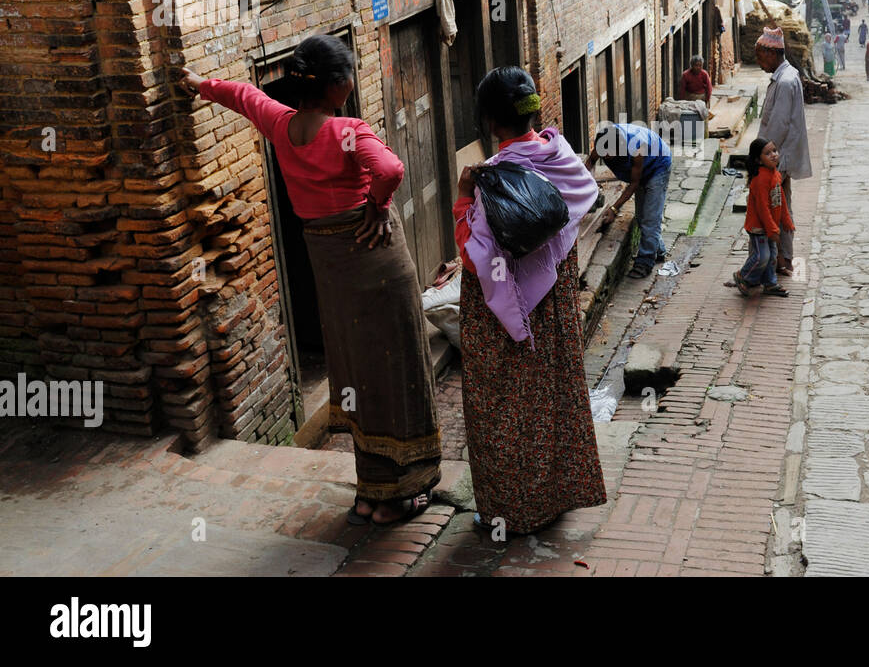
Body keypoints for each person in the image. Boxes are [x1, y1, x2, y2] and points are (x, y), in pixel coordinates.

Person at [179, 35, 442, 527]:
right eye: (349, 74)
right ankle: (397, 497)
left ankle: (368, 494)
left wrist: (200, 85)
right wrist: (377, 206)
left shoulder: (280, 125)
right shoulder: (347, 130)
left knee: (359, 367)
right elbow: (390, 168)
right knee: (396, 363)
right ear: (336, 85)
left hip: (329, 266)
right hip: (375, 260)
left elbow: (241, 94)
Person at [455, 66, 606, 535]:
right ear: (533, 112)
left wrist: (463, 199)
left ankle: (510, 513)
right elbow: (585, 200)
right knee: (552, 394)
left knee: (501, 404)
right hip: (556, 302)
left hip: (503, 315)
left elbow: (476, 257)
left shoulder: (491, 181)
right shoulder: (559, 153)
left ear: (491, 122)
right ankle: (555, 497)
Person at [755, 26, 812, 276]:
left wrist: (762, 159)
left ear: (771, 53)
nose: (758, 62)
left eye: (760, 56)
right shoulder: (786, 76)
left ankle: (764, 265)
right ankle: (783, 259)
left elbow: (778, 126)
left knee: (770, 211)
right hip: (780, 158)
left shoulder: (786, 81)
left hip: (778, 159)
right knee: (782, 208)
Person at [586, 122, 673, 280]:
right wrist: (585, 186)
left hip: (657, 168)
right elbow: (590, 162)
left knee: (650, 218)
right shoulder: (605, 142)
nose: (605, 158)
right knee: (641, 217)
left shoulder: (637, 148)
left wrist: (614, 209)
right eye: (603, 154)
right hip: (640, 170)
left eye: (609, 155)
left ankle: (645, 262)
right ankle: (658, 251)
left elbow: (634, 184)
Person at [732, 138, 795, 298]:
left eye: (774, 151)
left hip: (770, 226)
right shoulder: (760, 180)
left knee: (772, 256)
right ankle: (743, 276)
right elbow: (762, 208)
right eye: (768, 153)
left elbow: (780, 199)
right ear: (758, 159)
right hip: (758, 227)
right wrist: (773, 229)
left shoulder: (775, 174)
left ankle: (770, 283)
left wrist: (786, 220)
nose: (774, 155)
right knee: (762, 256)